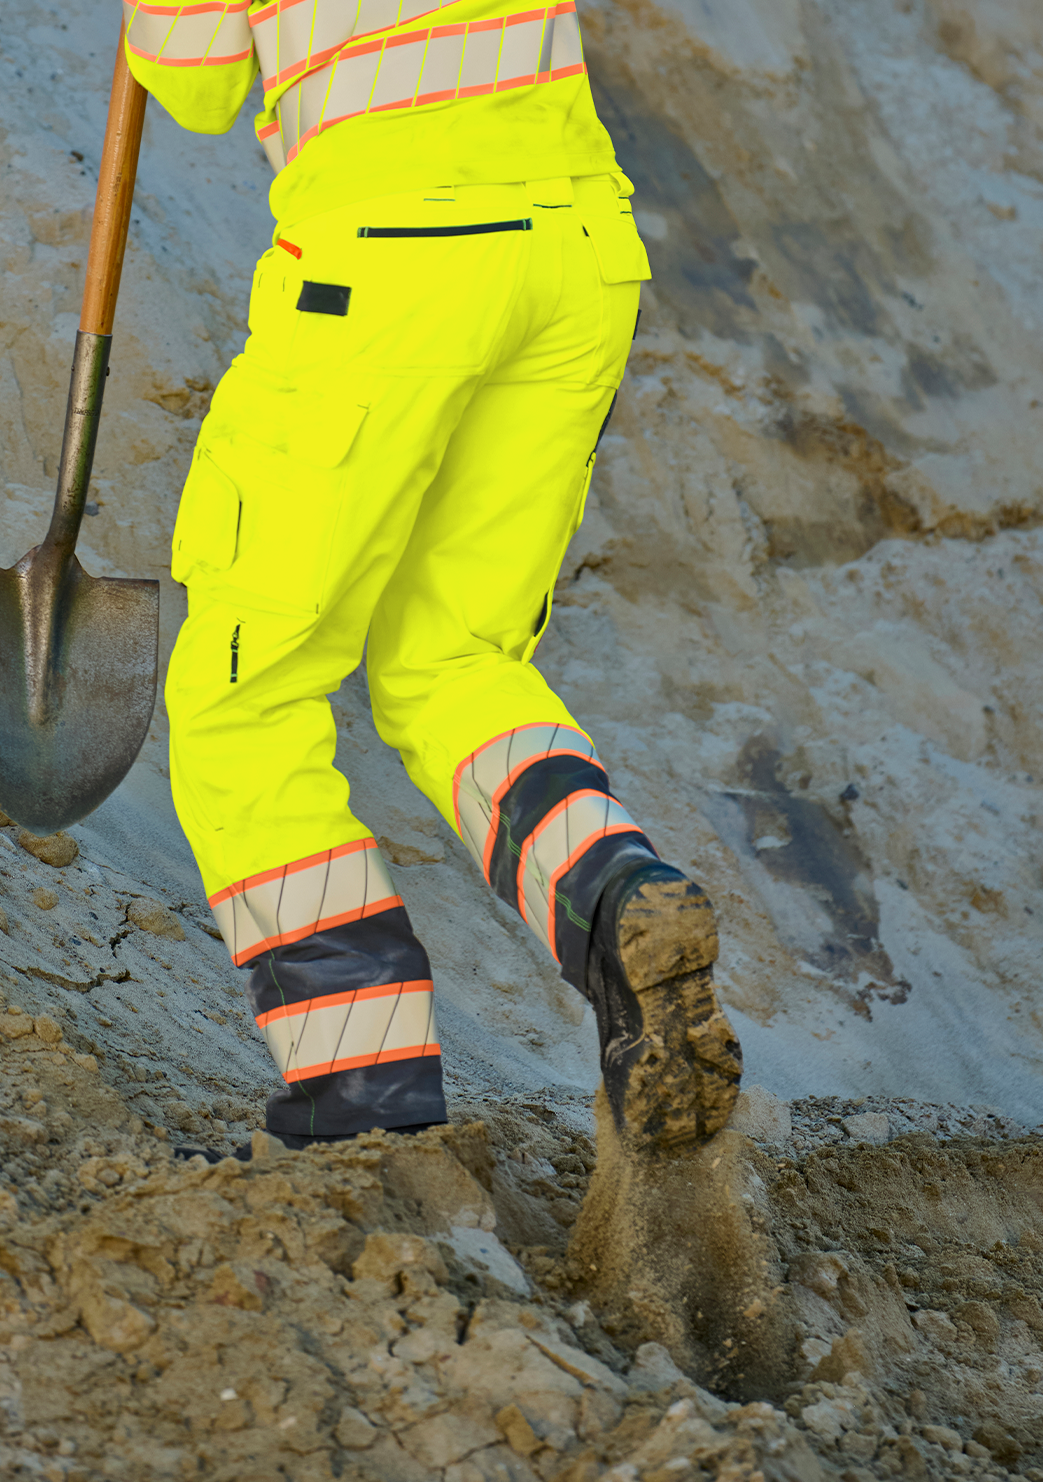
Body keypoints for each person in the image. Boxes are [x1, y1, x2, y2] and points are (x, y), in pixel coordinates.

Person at [122, 0, 742, 1153]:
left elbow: (197, 83)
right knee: (454, 657)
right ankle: (617, 897)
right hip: (578, 248)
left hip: (389, 264)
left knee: (245, 693)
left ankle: (362, 1105)